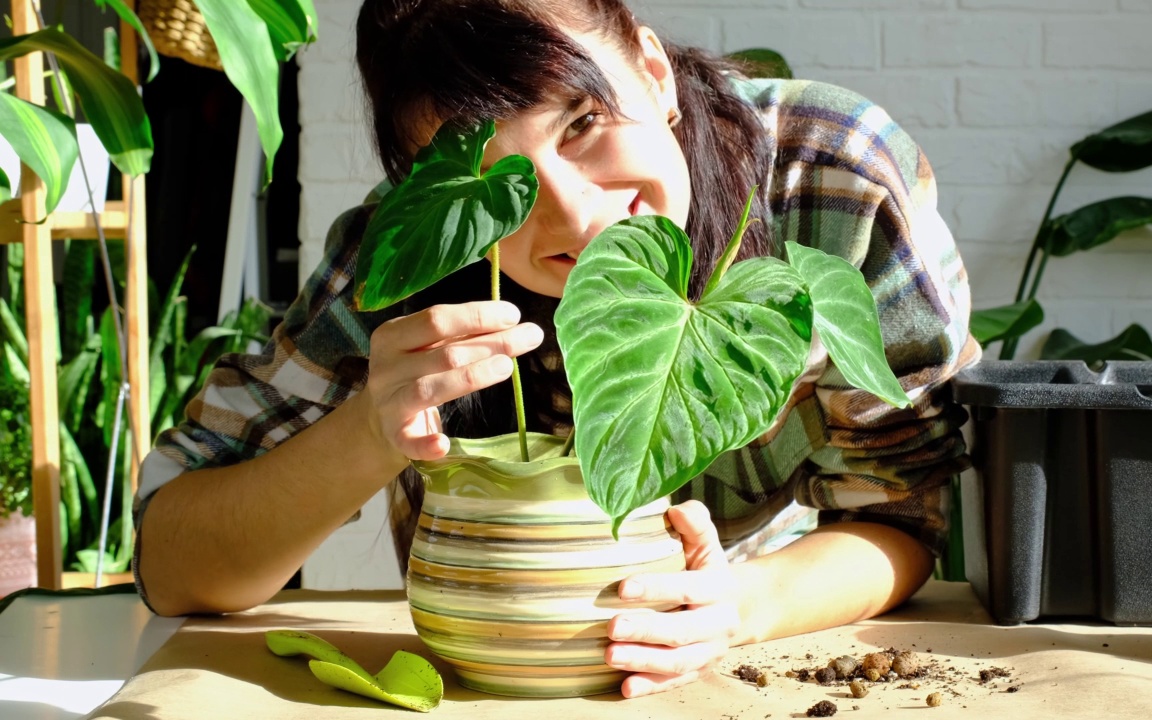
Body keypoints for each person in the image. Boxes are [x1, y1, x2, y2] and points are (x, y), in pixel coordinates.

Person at [134, 0, 980, 699]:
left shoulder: (827, 179)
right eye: (506, 187)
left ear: (652, 72)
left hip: (753, 672)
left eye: (582, 122)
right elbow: (175, 567)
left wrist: (738, 606)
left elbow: (903, 517)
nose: (574, 218)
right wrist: (368, 429)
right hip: (490, 684)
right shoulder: (415, 245)